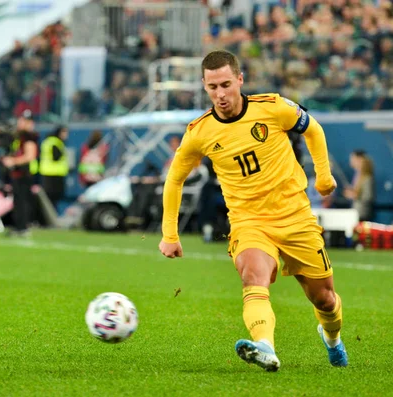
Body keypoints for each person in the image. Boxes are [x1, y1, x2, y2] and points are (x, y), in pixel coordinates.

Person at [159, 50, 347, 372]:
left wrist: (324, 175)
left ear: (240, 80)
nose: (220, 94)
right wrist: (169, 234)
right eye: (212, 87)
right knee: (252, 276)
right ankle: (265, 346)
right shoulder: (200, 133)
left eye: (226, 85)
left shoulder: (272, 107)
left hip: (295, 216)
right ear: (204, 86)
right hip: (249, 221)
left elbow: (313, 129)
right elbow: (175, 179)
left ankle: (331, 337)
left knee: (325, 299)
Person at [1, 114, 38, 236]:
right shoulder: (20, 137)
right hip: (18, 173)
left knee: (22, 202)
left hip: (24, 173)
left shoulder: (29, 137)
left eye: (23, 121)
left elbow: (30, 156)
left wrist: (13, 161)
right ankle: (19, 227)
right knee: (18, 201)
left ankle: (23, 228)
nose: (19, 123)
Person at [39, 125, 69, 210]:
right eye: (64, 132)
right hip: (54, 174)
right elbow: (56, 157)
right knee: (53, 198)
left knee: (50, 198)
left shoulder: (48, 141)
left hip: (48, 173)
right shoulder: (55, 142)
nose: (66, 135)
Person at [344, 149, 375, 222]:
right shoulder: (357, 175)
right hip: (355, 213)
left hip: (363, 214)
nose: (351, 161)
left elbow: (368, 197)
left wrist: (354, 195)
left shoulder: (367, 177)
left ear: (360, 159)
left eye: (353, 159)